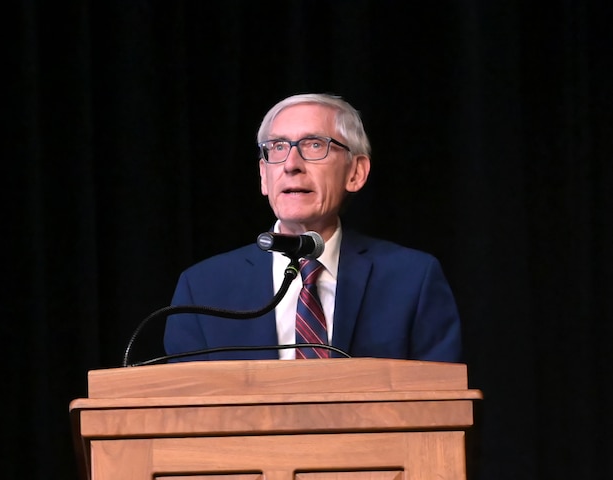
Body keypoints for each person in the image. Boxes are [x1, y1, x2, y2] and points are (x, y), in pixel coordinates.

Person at [163, 93, 462, 363]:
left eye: (314, 145)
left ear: (356, 172)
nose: (292, 164)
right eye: (278, 147)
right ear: (264, 176)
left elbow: (444, 405)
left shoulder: (412, 279)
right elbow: (185, 413)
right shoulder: (202, 289)